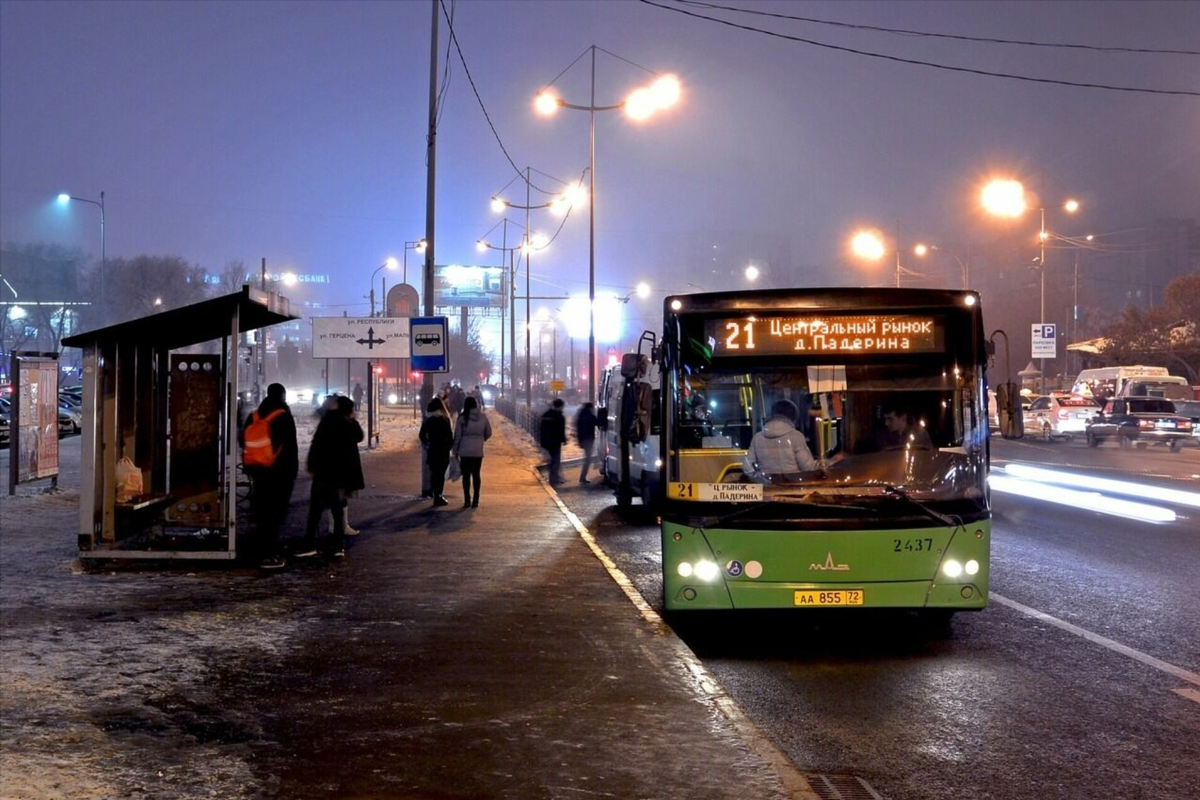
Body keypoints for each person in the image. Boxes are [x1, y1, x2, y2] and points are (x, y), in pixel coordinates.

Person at [240, 383, 298, 569]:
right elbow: (291, 446)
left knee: (262, 510)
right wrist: (292, 471)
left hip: (258, 471)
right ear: (282, 395)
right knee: (275, 512)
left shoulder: (255, 415)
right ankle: (269, 553)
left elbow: (243, 440)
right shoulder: (283, 416)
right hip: (280, 472)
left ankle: (261, 549)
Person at [301, 396, 365, 558]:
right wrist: (352, 420)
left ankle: (309, 544)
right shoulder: (348, 424)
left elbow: (317, 444)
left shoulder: (328, 420)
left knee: (315, 510)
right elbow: (359, 437)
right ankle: (338, 546)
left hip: (324, 472)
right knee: (337, 510)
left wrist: (312, 465)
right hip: (340, 474)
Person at [742, 399, 816, 483]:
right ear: (793, 416)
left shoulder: (758, 437)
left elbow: (747, 467)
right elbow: (808, 467)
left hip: (768, 488)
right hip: (793, 487)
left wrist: (762, 480)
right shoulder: (796, 436)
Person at [453, 396, 492, 508]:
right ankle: (476, 500)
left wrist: (455, 450)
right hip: (478, 451)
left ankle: (467, 500)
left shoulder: (462, 418)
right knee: (476, 474)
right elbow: (489, 432)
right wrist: (480, 439)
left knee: (466, 476)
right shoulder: (483, 417)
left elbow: (457, 436)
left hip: (464, 451)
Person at [419, 397, 454, 507]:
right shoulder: (445, 419)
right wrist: (449, 447)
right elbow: (450, 436)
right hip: (442, 450)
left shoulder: (428, 419)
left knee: (434, 473)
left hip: (432, 449)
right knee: (440, 474)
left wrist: (427, 444)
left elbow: (421, 435)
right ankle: (439, 496)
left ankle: (435, 494)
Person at [540, 398, 567, 486]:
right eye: (562, 406)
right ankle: (554, 480)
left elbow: (541, 428)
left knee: (552, 461)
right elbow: (560, 430)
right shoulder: (559, 416)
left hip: (546, 441)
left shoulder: (546, 414)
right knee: (555, 461)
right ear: (559, 406)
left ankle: (554, 478)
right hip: (555, 442)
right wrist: (564, 440)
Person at [575, 402, 597, 484]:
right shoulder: (590, 416)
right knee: (588, 459)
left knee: (587, 458)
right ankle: (583, 477)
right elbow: (597, 422)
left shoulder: (581, 415)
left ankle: (583, 477)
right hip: (588, 440)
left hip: (583, 440)